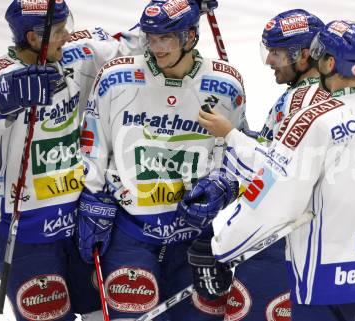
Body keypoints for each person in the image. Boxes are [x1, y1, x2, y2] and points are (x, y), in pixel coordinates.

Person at [186, 20, 355, 321]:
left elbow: (274, 200)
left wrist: (222, 249)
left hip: (327, 283)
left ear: (328, 62)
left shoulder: (312, 119)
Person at [80, 0, 246, 320]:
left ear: (190, 37)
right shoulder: (117, 77)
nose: (156, 47)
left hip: (195, 236)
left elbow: (236, 152)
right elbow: (93, 144)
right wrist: (92, 197)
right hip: (130, 229)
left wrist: (223, 184)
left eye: (166, 38)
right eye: (151, 38)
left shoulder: (226, 85)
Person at [0, 1, 144, 320]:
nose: (68, 35)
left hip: (81, 216)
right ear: (33, 38)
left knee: (98, 312)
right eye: (59, 30)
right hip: (24, 229)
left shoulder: (80, 53)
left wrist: (181, 8)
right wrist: (3, 104)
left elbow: (136, 43)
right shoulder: (0, 79)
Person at [183, 9, 328, 320]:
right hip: (298, 240)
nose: (268, 61)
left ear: (304, 55)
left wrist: (232, 136)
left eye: (276, 53)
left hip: (281, 242)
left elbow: (278, 174)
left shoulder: (301, 101)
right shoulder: (315, 95)